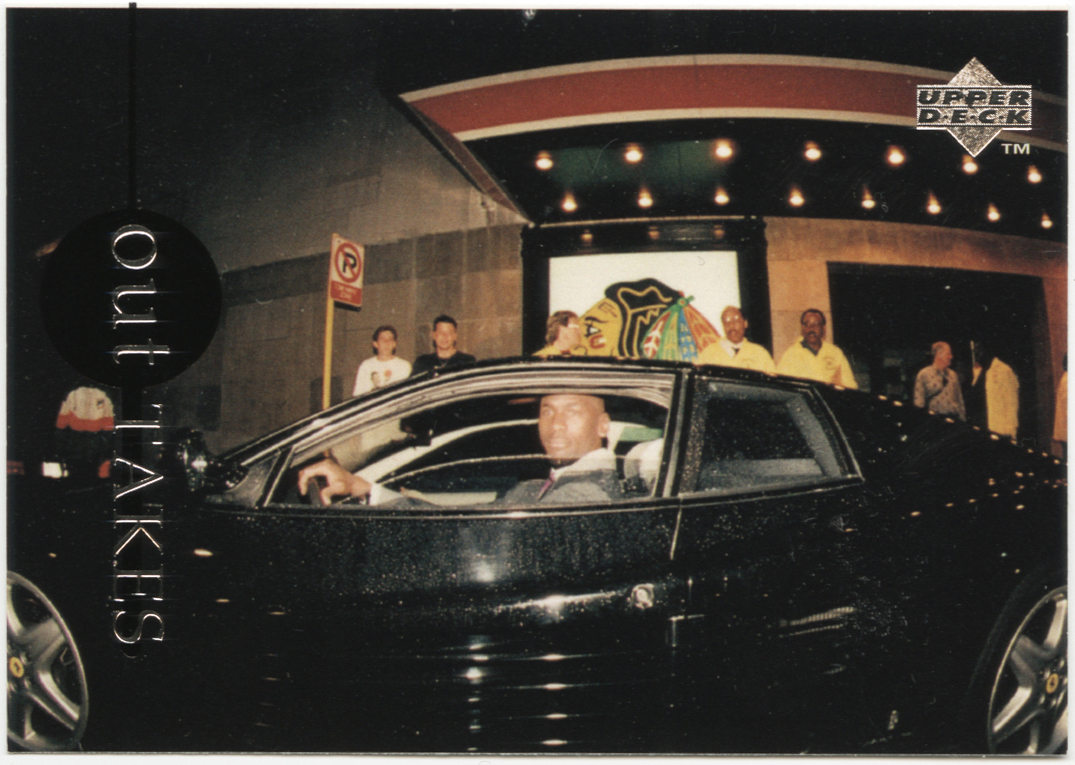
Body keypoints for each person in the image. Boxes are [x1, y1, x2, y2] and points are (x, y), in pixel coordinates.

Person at [298, 393, 620, 506]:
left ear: (603, 425)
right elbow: (464, 520)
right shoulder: (537, 487)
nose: (556, 424)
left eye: (573, 411)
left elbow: (467, 535)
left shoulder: (584, 496)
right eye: (547, 410)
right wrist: (360, 486)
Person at [776, 309, 857, 388]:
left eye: (817, 324)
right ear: (802, 328)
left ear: (823, 328)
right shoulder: (790, 355)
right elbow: (780, 386)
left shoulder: (835, 353)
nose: (811, 328)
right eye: (807, 324)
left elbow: (850, 385)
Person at [695, 305, 776, 373]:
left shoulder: (760, 354)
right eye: (726, 322)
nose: (731, 326)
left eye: (735, 321)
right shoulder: (708, 354)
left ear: (745, 323)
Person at [912, 341, 966, 421]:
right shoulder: (924, 374)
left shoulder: (953, 375)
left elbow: (959, 399)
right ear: (939, 354)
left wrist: (963, 420)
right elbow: (919, 403)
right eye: (948, 354)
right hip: (935, 420)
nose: (951, 357)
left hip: (953, 420)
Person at [352, 325, 411, 396]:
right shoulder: (366, 366)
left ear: (394, 344)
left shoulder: (404, 366)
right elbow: (358, 395)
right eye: (383, 340)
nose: (387, 343)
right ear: (375, 344)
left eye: (390, 339)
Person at [411, 315, 476, 374]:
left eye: (449, 333)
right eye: (440, 332)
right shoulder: (423, 363)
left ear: (455, 336)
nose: (444, 336)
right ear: (434, 335)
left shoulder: (467, 362)